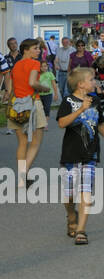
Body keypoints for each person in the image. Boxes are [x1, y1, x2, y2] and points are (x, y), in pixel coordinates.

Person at [57, 66, 104, 245]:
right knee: (68, 195)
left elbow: (99, 124)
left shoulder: (95, 100)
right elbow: (62, 123)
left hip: (90, 153)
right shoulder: (68, 101)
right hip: (70, 154)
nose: (95, 82)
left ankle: (81, 230)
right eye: (91, 80)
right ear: (81, 84)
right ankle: (71, 216)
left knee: (86, 191)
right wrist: (80, 110)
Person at [8, 39, 51, 187]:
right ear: (26, 50)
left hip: (17, 105)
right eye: (35, 48)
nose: (38, 51)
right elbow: (32, 83)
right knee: (35, 143)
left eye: (38, 48)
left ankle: (22, 178)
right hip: (33, 103)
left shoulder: (16, 66)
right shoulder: (35, 63)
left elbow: (13, 87)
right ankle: (22, 177)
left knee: (21, 143)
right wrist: (44, 88)